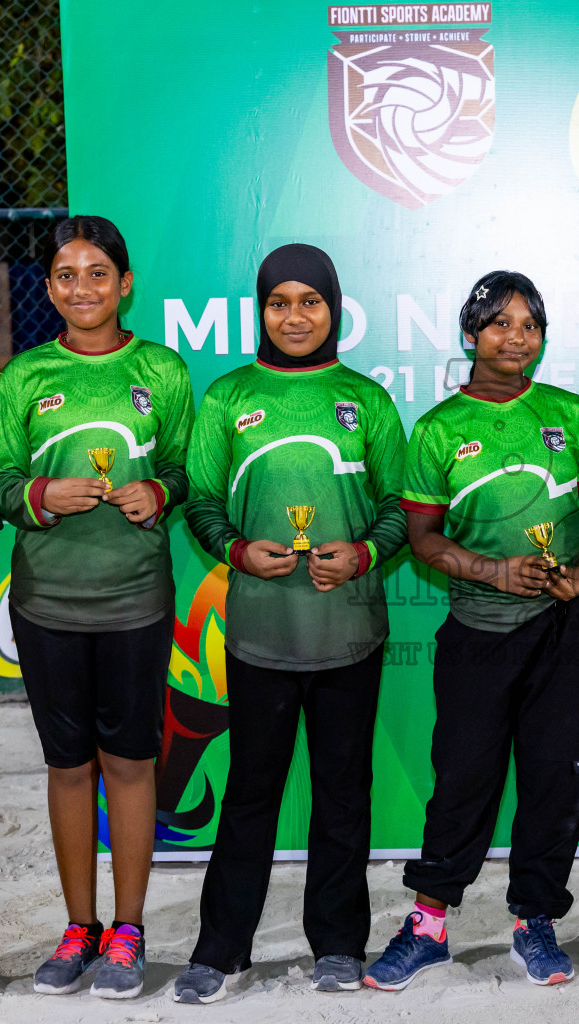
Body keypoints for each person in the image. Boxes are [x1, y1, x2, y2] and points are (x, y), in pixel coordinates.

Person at [169, 243, 408, 1003]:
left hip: (348, 631)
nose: (295, 316)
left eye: (311, 301)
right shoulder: (228, 397)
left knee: (343, 791)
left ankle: (338, 944)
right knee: (250, 793)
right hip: (262, 635)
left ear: (334, 307)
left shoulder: (365, 400)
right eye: (280, 302)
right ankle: (221, 948)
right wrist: (237, 549)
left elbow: (403, 508)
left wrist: (366, 553)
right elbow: (201, 500)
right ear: (261, 311)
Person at [363, 271, 579, 990]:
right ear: (471, 334)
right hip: (478, 632)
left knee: (554, 783)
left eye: (529, 323)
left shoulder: (568, 412)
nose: (516, 337)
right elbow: (423, 538)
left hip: (567, 628)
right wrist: (492, 572)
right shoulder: (439, 428)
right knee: (464, 780)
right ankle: (431, 924)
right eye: (499, 323)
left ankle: (535, 923)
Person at [0, 216, 194, 999]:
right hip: (47, 604)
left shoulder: (163, 371)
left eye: (98, 273)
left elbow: (185, 469)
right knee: (68, 767)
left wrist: (162, 490)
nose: (83, 288)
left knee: (131, 763)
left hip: (136, 602)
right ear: (49, 288)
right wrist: (40, 494)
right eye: (67, 275)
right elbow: (0, 483)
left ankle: (130, 931)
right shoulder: (25, 376)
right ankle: (80, 930)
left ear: (126, 283)